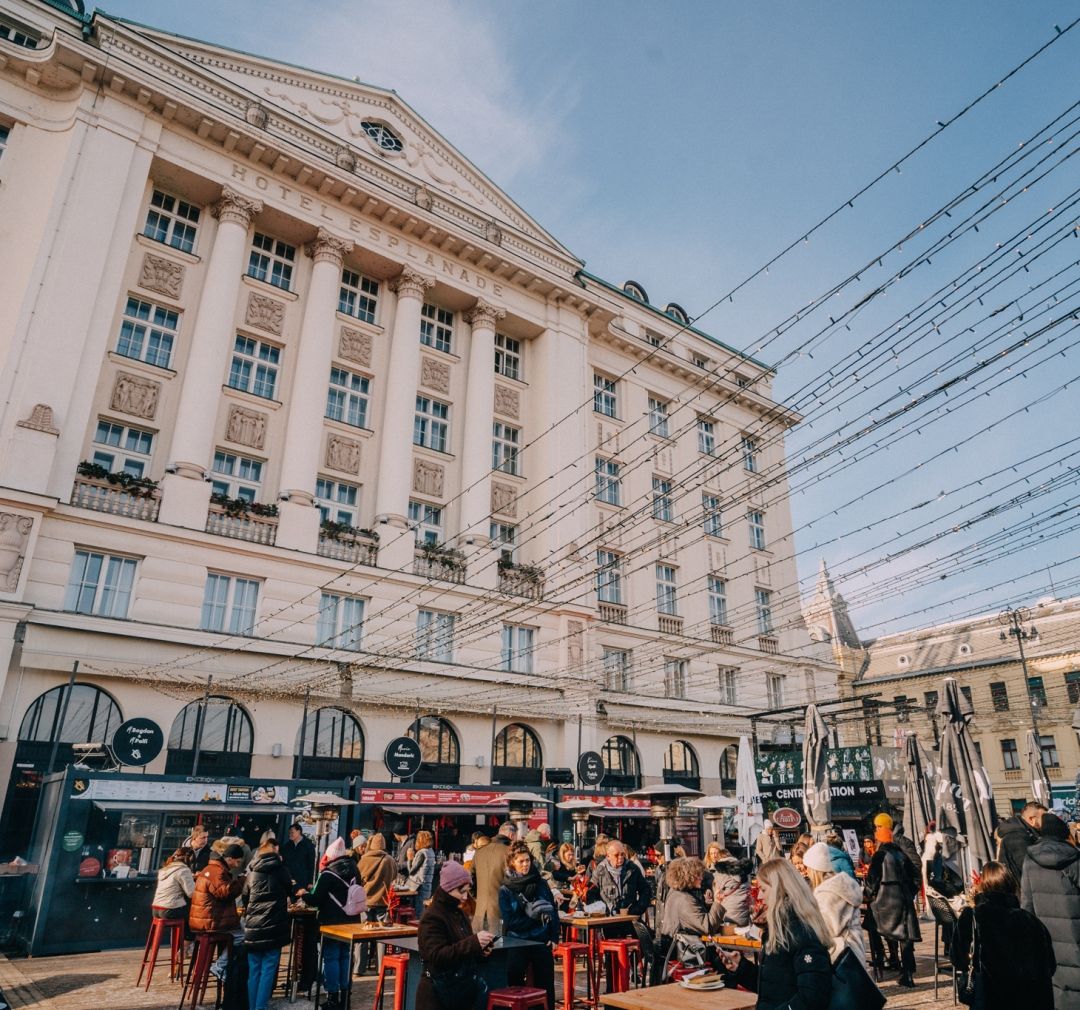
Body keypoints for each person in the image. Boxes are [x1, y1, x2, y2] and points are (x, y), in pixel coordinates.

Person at [716, 858, 832, 1010]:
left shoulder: (801, 932)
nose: (760, 897)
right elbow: (773, 985)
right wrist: (742, 967)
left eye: (763, 890)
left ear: (780, 890)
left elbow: (812, 996)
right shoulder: (780, 929)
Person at [951, 860, 1055, 1010]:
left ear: (982, 886)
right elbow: (1050, 966)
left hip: (989, 1000)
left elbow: (958, 959)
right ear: (1011, 886)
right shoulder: (1030, 920)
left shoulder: (972, 917)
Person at [417, 861, 495, 1010]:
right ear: (448, 889)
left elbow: (462, 950)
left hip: (459, 990)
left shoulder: (460, 914)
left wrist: (481, 950)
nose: (465, 897)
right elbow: (436, 955)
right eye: (461, 891)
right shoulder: (432, 917)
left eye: (467, 891)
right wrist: (473, 943)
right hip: (437, 994)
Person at [1021, 812, 1080, 1010]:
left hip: (1048, 939)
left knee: (1059, 990)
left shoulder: (1030, 860)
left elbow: (1027, 904)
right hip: (1076, 934)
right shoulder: (1074, 858)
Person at [499, 841, 559, 1010]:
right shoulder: (506, 889)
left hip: (541, 939)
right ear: (513, 863)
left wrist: (554, 936)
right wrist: (535, 918)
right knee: (514, 982)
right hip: (517, 941)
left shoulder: (540, 883)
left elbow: (553, 910)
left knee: (546, 985)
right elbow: (510, 921)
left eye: (527, 860)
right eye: (521, 861)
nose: (525, 864)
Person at [307, 837, 363, 1009]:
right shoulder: (355, 871)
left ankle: (333, 996)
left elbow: (315, 899)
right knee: (345, 956)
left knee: (330, 957)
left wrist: (302, 894)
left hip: (331, 922)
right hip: (351, 921)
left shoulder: (328, 874)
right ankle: (345, 995)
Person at [865, 817, 920, 987]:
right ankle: (908, 973)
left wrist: (869, 895)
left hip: (884, 904)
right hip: (903, 900)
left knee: (870, 924)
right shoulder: (900, 853)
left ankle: (880, 961)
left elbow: (871, 882)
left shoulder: (879, 855)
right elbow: (914, 875)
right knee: (906, 937)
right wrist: (909, 893)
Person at [242, 837, 293, 1010]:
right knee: (268, 968)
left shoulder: (252, 872)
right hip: (274, 924)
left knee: (254, 969)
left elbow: (245, 897)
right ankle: (260, 1006)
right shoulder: (281, 870)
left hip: (254, 926)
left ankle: (252, 1006)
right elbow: (289, 889)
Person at [189, 842, 246, 982]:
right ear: (230, 858)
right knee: (243, 935)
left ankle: (216, 967)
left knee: (239, 930)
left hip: (203, 919)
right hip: (211, 922)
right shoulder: (218, 871)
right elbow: (225, 893)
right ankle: (220, 966)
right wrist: (241, 881)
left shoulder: (211, 868)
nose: (237, 865)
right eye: (237, 861)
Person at [803, 841, 866, 963]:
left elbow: (829, 928)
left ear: (815, 869)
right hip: (853, 950)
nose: (806, 872)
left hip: (840, 954)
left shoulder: (827, 892)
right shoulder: (840, 884)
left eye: (807, 867)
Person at [589, 839, 650, 919]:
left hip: (629, 919)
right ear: (608, 856)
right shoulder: (600, 871)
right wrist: (600, 911)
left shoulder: (632, 868)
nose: (620, 858)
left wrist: (637, 909)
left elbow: (646, 889)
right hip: (607, 921)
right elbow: (591, 894)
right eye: (616, 855)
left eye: (622, 854)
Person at [472, 821, 514, 932]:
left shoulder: (479, 852)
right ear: (511, 835)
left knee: (479, 946)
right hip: (499, 911)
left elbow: (470, 878)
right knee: (498, 946)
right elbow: (513, 880)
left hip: (479, 911)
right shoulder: (509, 852)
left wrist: (476, 896)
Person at [996, 801, 1046, 885]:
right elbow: (1028, 870)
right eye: (1043, 818)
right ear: (1032, 819)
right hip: (1021, 892)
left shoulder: (1024, 832)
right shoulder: (1017, 837)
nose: (1046, 821)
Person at [707, 849, 752, 927]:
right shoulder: (743, 869)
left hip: (728, 917)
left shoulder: (720, 872)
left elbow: (716, 893)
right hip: (744, 916)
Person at [152, 847, 195, 920]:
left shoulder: (165, 869)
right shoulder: (184, 870)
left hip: (156, 909)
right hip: (170, 910)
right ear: (189, 858)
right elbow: (191, 893)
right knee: (194, 913)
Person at [281, 822, 316, 895]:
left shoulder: (308, 845)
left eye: (292, 832)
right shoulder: (287, 846)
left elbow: (311, 864)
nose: (290, 834)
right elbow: (283, 862)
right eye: (289, 833)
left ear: (299, 831)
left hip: (303, 880)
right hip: (289, 880)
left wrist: (310, 882)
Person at [407, 830, 437, 909]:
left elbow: (411, 870)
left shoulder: (421, 853)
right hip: (427, 886)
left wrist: (410, 859)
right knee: (423, 911)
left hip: (419, 887)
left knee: (418, 912)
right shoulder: (431, 852)